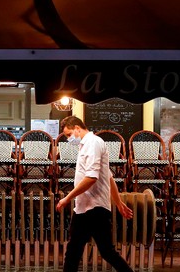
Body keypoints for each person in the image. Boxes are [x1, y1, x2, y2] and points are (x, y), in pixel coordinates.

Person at [55, 115, 134, 272]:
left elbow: (92, 177)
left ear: (77, 128)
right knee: (81, 251)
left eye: (69, 135)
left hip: (94, 207)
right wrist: (118, 203)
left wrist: (67, 198)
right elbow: (108, 177)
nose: (69, 139)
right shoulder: (86, 145)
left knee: (97, 251)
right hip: (86, 206)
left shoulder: (93, 143)